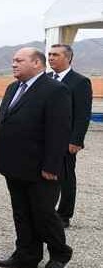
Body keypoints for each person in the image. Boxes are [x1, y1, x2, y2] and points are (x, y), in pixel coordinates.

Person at [0, 48, 73, 268]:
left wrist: (51, 166)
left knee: (43, 213)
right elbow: (4, 122)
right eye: (13, 60)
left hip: (41, 168)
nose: (13, 64)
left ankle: (59, 254)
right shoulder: (12, 88)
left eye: (19, 60)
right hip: (14, 165)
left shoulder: (55, 90)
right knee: (21, 211)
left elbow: (58, 131)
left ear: (37, 63)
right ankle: (27, 255)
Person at [47, 44, 92, 228]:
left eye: (55, 55)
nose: (50, 58)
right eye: (49, 54)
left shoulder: (79, 82)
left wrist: (76, 140)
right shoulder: (46, 79)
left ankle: (64, 214)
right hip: (46, 137)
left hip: (67, 140)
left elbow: (83, 114)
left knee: (65, 176)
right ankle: (47, 210)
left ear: (68, 58)